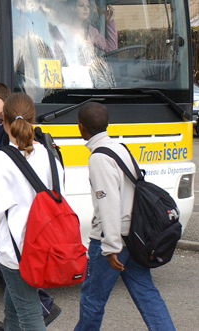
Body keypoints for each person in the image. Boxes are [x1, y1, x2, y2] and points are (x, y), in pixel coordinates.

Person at [74, 102, 176, 331]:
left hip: (113, 239)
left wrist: (110, 247)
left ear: (80, 127)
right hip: (133, 236)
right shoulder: (120, 147)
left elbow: (108, 203)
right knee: (147, 294)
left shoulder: (99, 158)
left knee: (92, 300)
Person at [0, 93, 65, 331]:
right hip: (46, 244)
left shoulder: (2, 158)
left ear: (4, 121)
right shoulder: (49, 154)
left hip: (16, 249)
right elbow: (60, 194)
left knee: (29, 314)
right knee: (13, 309)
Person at [50, 0, 117, 65]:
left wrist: (110, 22)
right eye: (81, 5)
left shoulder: (91, 31)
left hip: (89, 74)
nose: (86, 9)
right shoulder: (63, 29)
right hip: (69, 74)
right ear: (72, 8)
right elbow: (52, 56)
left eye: (88, 6)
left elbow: (111, 49)